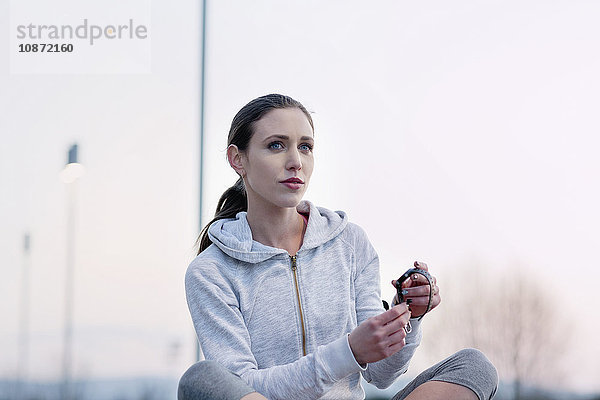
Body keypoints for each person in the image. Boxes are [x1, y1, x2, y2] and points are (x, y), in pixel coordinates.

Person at [179, 94, 498, 400]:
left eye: (305, 147)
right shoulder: (211, 271)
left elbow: (382, 374)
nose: (295, 162)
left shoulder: (350, 244)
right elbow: (243, 385)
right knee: (203, 379)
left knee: (474, 366)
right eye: (276, 145)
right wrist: (348, 352)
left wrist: (407, 317)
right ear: (238, 159)